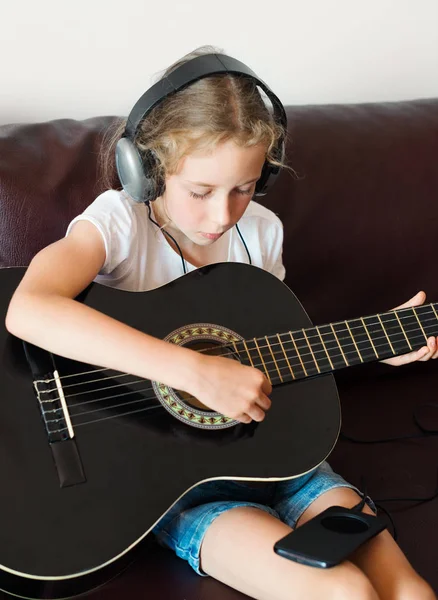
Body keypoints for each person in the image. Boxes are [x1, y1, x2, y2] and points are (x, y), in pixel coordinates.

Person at [5, 45, 437, 600]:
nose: (221, 215)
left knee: (410, 592)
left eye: (244, 187)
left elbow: (271, 352)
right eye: (200, 191)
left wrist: (376, 344)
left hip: (289, 465)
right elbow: (28, 308)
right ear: (148, 169)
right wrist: (192, 371)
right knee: (344, 592)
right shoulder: (117, 225)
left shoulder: (261, 233)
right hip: (181, 490)